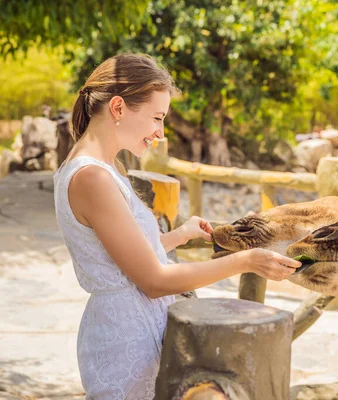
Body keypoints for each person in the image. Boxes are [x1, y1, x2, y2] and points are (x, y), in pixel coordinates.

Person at [52, 53, 301, 399]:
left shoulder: (103, 168)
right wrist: (245, 261)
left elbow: (119, 261)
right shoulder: (92, 177)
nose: (160, 132)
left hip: (136, 329)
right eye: (157, 117)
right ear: (119, 108)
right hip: (128, 342)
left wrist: (177, 237)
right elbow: (153, 281)